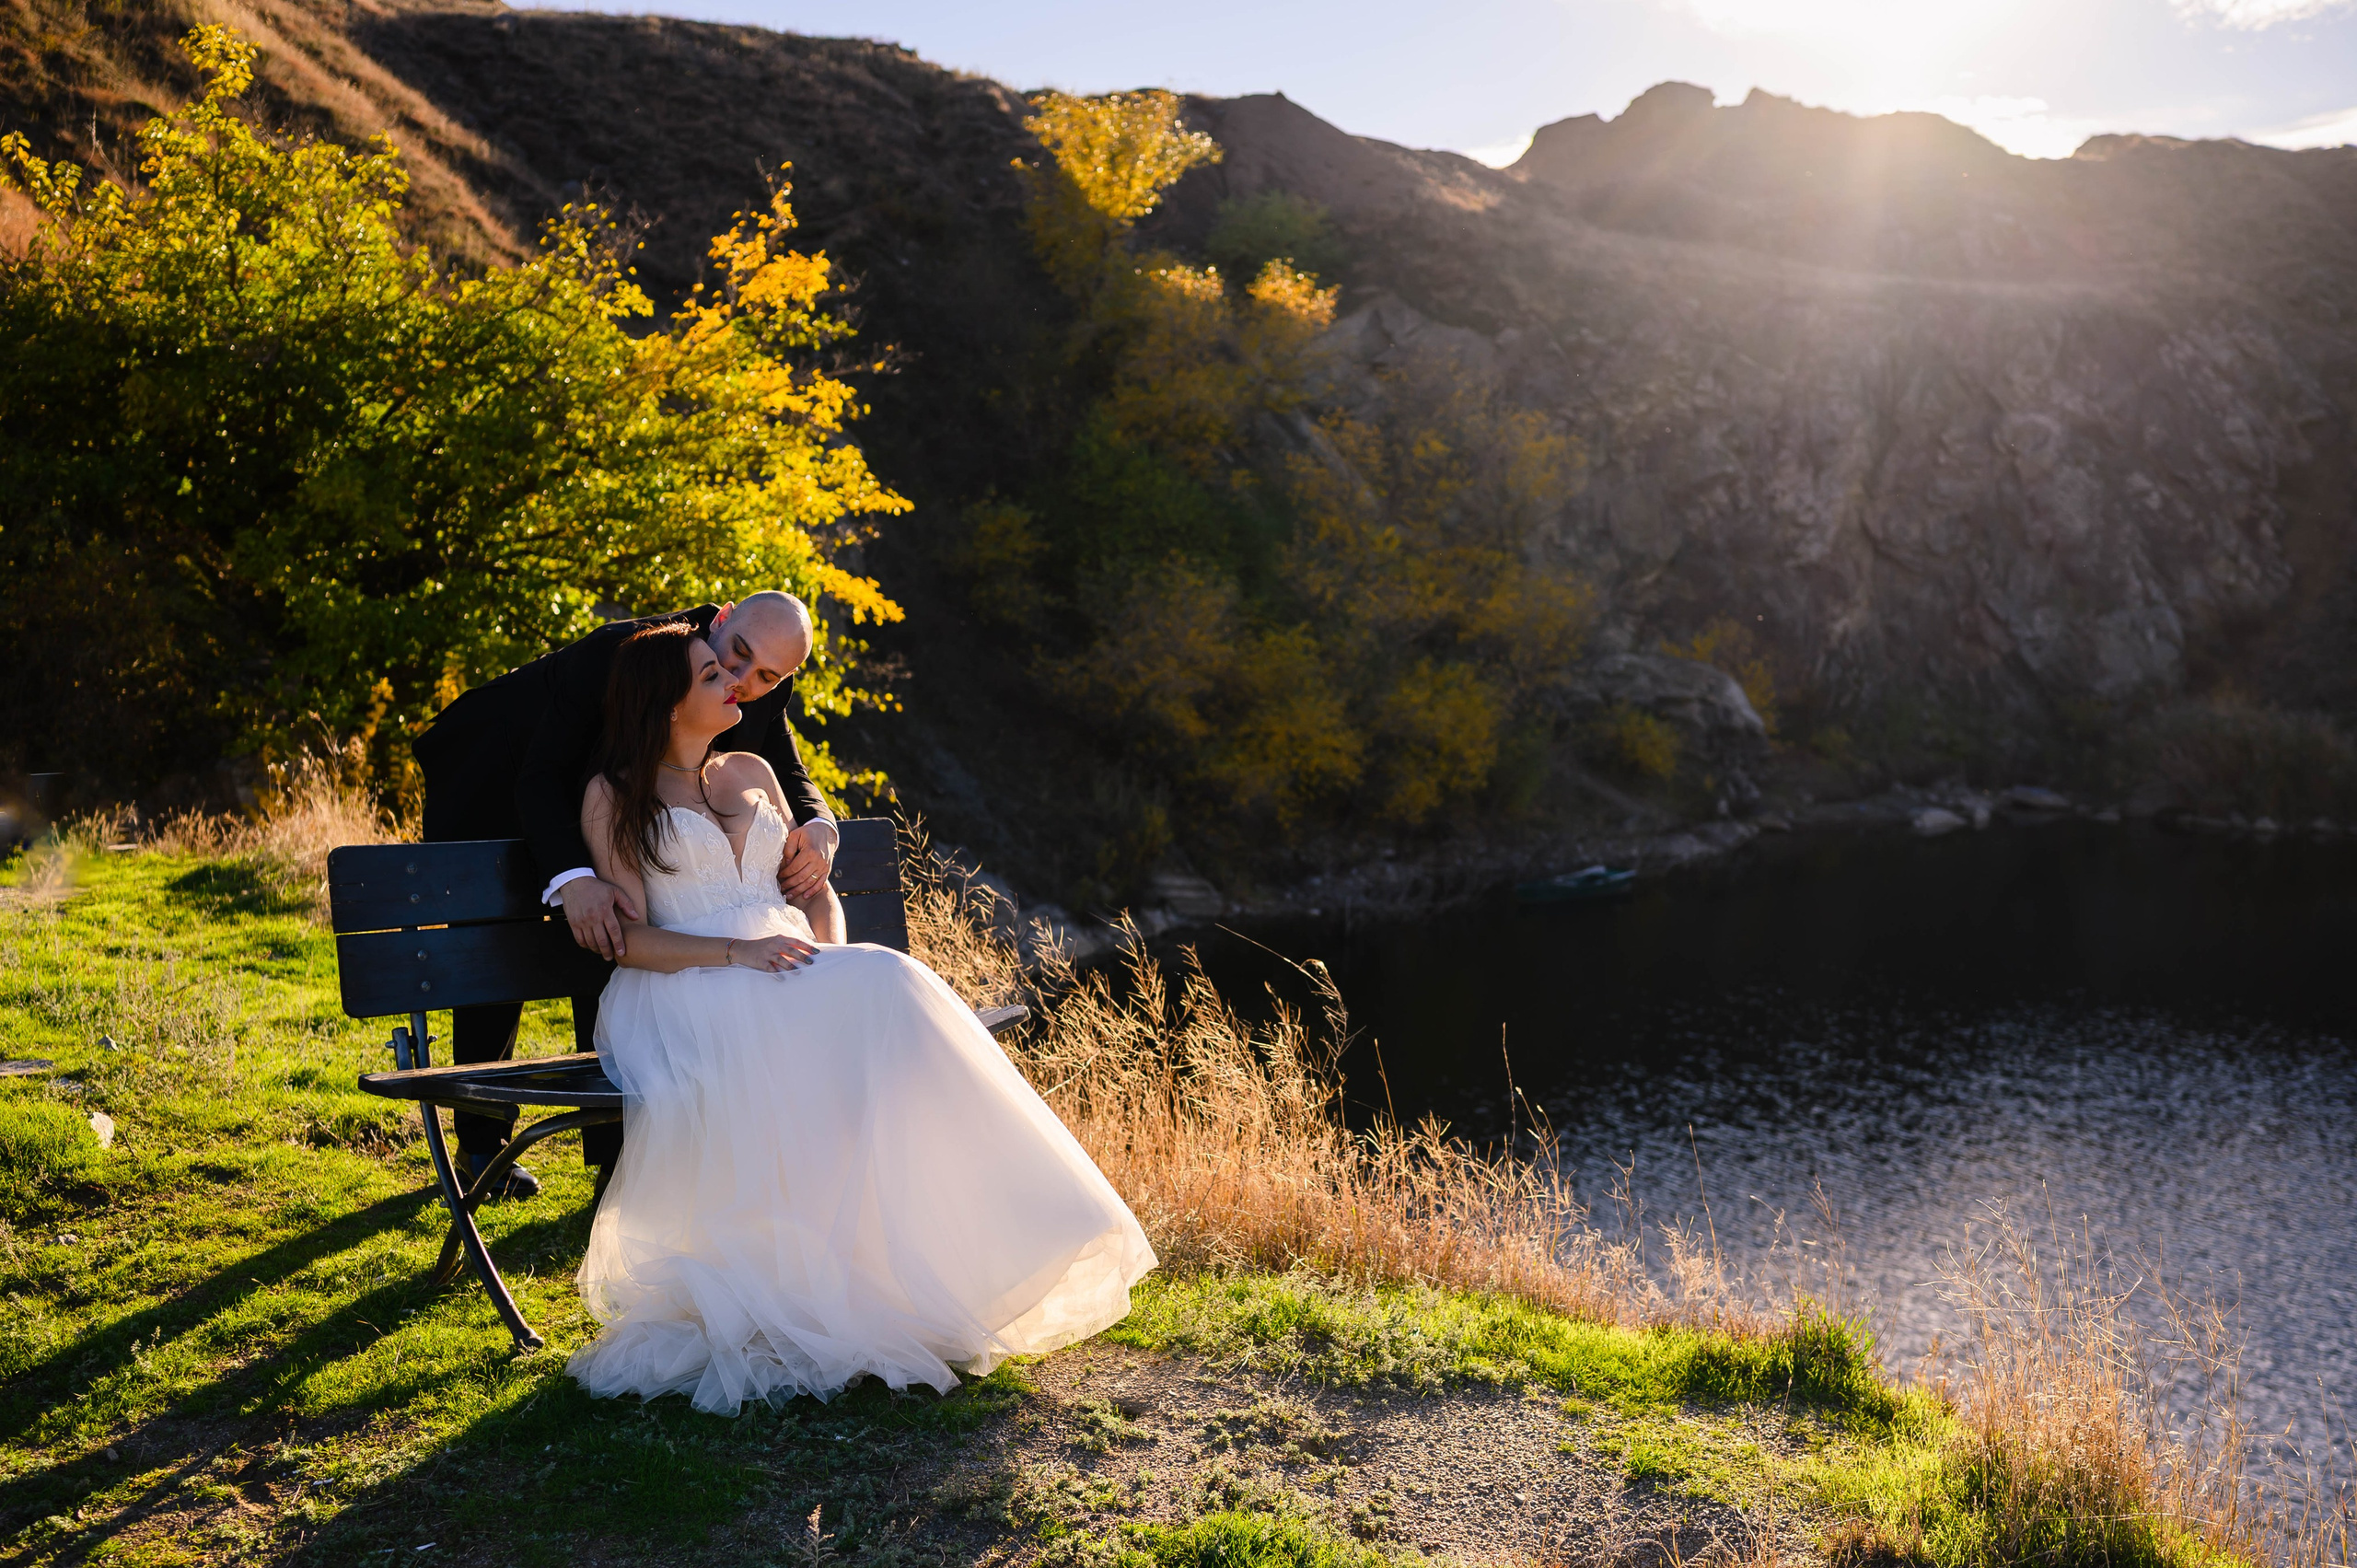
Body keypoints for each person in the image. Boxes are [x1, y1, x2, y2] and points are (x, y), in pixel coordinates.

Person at [566, 622, 1155, 1410]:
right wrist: (733, 955)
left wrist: (829, 960)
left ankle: (981, 1243)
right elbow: (631, 939)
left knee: (884, 981)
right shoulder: (615, 794)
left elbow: (811, 892)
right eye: (712, 675)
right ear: (667, 704)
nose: (734, 682)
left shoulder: (750, 769)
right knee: (887, 989)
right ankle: (861, 1269)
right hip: (696, 982)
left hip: (793, 966)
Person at [411, 593, 841, 1198]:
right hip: (494, 772)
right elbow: (541, 774)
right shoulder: (619, 657)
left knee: (616, 924)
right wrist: (571, 878)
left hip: (601, 799)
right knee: (499, 942)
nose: (744, 681)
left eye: (767, 675)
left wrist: (820, 823)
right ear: (721, 621)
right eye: (736, 655)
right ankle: (483, 1150)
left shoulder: (756, 680)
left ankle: (616, 1156)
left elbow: (788, 770)